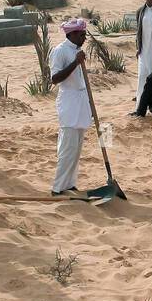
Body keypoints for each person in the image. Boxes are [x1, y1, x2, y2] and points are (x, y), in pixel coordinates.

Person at [49, 18, 93, 195]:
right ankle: (58, 187)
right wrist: (75, 63)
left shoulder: (78, 50)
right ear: (72, 34)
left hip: (81, 102)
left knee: (76, 149)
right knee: (67, 149)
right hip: (68, 103)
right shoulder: (60, 51)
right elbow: (55, 79)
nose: (84, 38)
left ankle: (69, 184)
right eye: (82, 35)